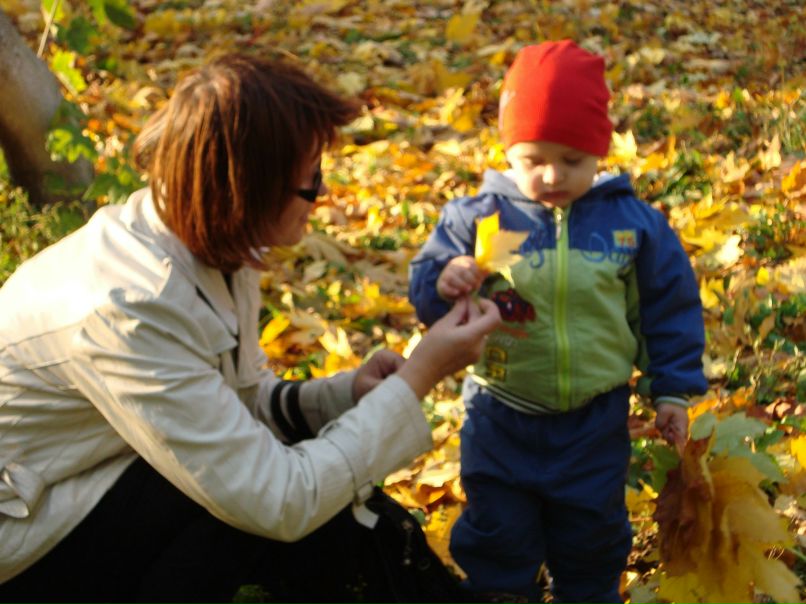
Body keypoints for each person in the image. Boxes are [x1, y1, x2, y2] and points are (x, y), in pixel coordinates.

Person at [0, 54, 501, 603]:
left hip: (94, 479)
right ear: (247, 190)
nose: (323, 194)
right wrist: (421, 375)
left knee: (315, 498)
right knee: (251, 511)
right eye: (310, 181)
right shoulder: (129, 308)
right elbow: (278, 500)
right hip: (26, 541)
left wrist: (342, 395)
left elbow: (231, 402)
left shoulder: (205, 238)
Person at [408, 40, 707, 604]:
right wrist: (443, 279)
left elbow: (667, 308)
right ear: (509, 151)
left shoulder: (628, 225)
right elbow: (427, 293)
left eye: (572, 160)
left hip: (593, 417)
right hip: (500, 409)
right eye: (533, 159)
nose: (550, 175)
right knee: (497, 523)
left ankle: (588, 591)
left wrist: (672, 391)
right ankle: (502, 591)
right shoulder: (481, 218)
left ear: (600, 149)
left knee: (592, 527)